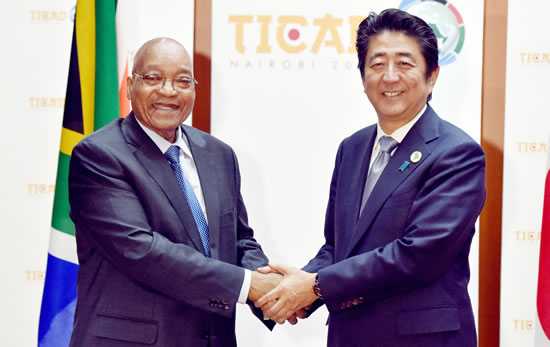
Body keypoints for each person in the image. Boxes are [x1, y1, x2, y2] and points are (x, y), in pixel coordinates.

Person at [256, 8, 486, 346]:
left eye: (405, 64)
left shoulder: (457, 153)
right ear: (362, 76)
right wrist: (296, 287)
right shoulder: (352, 148)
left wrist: (315, 286)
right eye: (377, 64)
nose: (389, 77)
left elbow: (417, 256)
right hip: (350, 335)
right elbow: (339, 247)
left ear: (432, 75)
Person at [68, 37, 281, 346]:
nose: (168, 91)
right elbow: (143, 251)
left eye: (182, 81)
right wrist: (249, 286)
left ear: (194, 88)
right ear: (130, 85)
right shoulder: (98, 156)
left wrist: (272, 290)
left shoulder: (219, 155)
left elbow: (237, 239)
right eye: (153, 78)